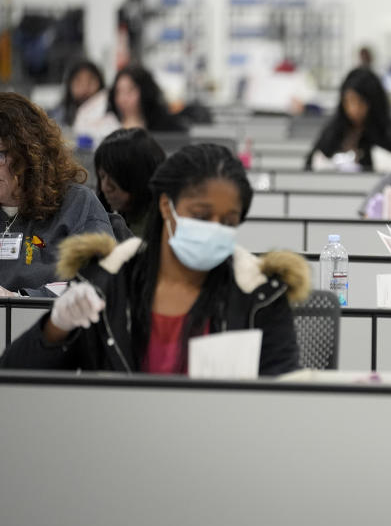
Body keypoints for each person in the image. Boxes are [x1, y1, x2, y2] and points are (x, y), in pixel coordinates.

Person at [0, 144, 308, 375]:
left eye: (227, 222)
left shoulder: (260, 294)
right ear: (165, 206)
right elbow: (19, 382)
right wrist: (55, 327)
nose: (214, 228)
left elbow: (280, 404)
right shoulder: (107, 281)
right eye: (201, 215)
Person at [0, 92, 113, 297]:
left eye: (0, 155)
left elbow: (100, 279)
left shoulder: (76, 205)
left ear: (29, 153)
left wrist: (19, 300)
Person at [305, 67, 391, 172]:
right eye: (348, 101)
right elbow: (310, 165)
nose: (353, 109)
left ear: (373, 102)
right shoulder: (334, 131)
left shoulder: (390, 133)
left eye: (360, 102)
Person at [95, 128, 166, 237]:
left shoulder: (165, 228)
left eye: (114, 179)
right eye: (102, 177)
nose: (105, 187)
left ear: (138, 177)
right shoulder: (116, 221)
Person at [107, 65, 186, 133]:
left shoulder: (167, 127)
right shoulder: (107, 127)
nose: (123, 98)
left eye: (130, 90)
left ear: (145, 91)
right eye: (119, 92)